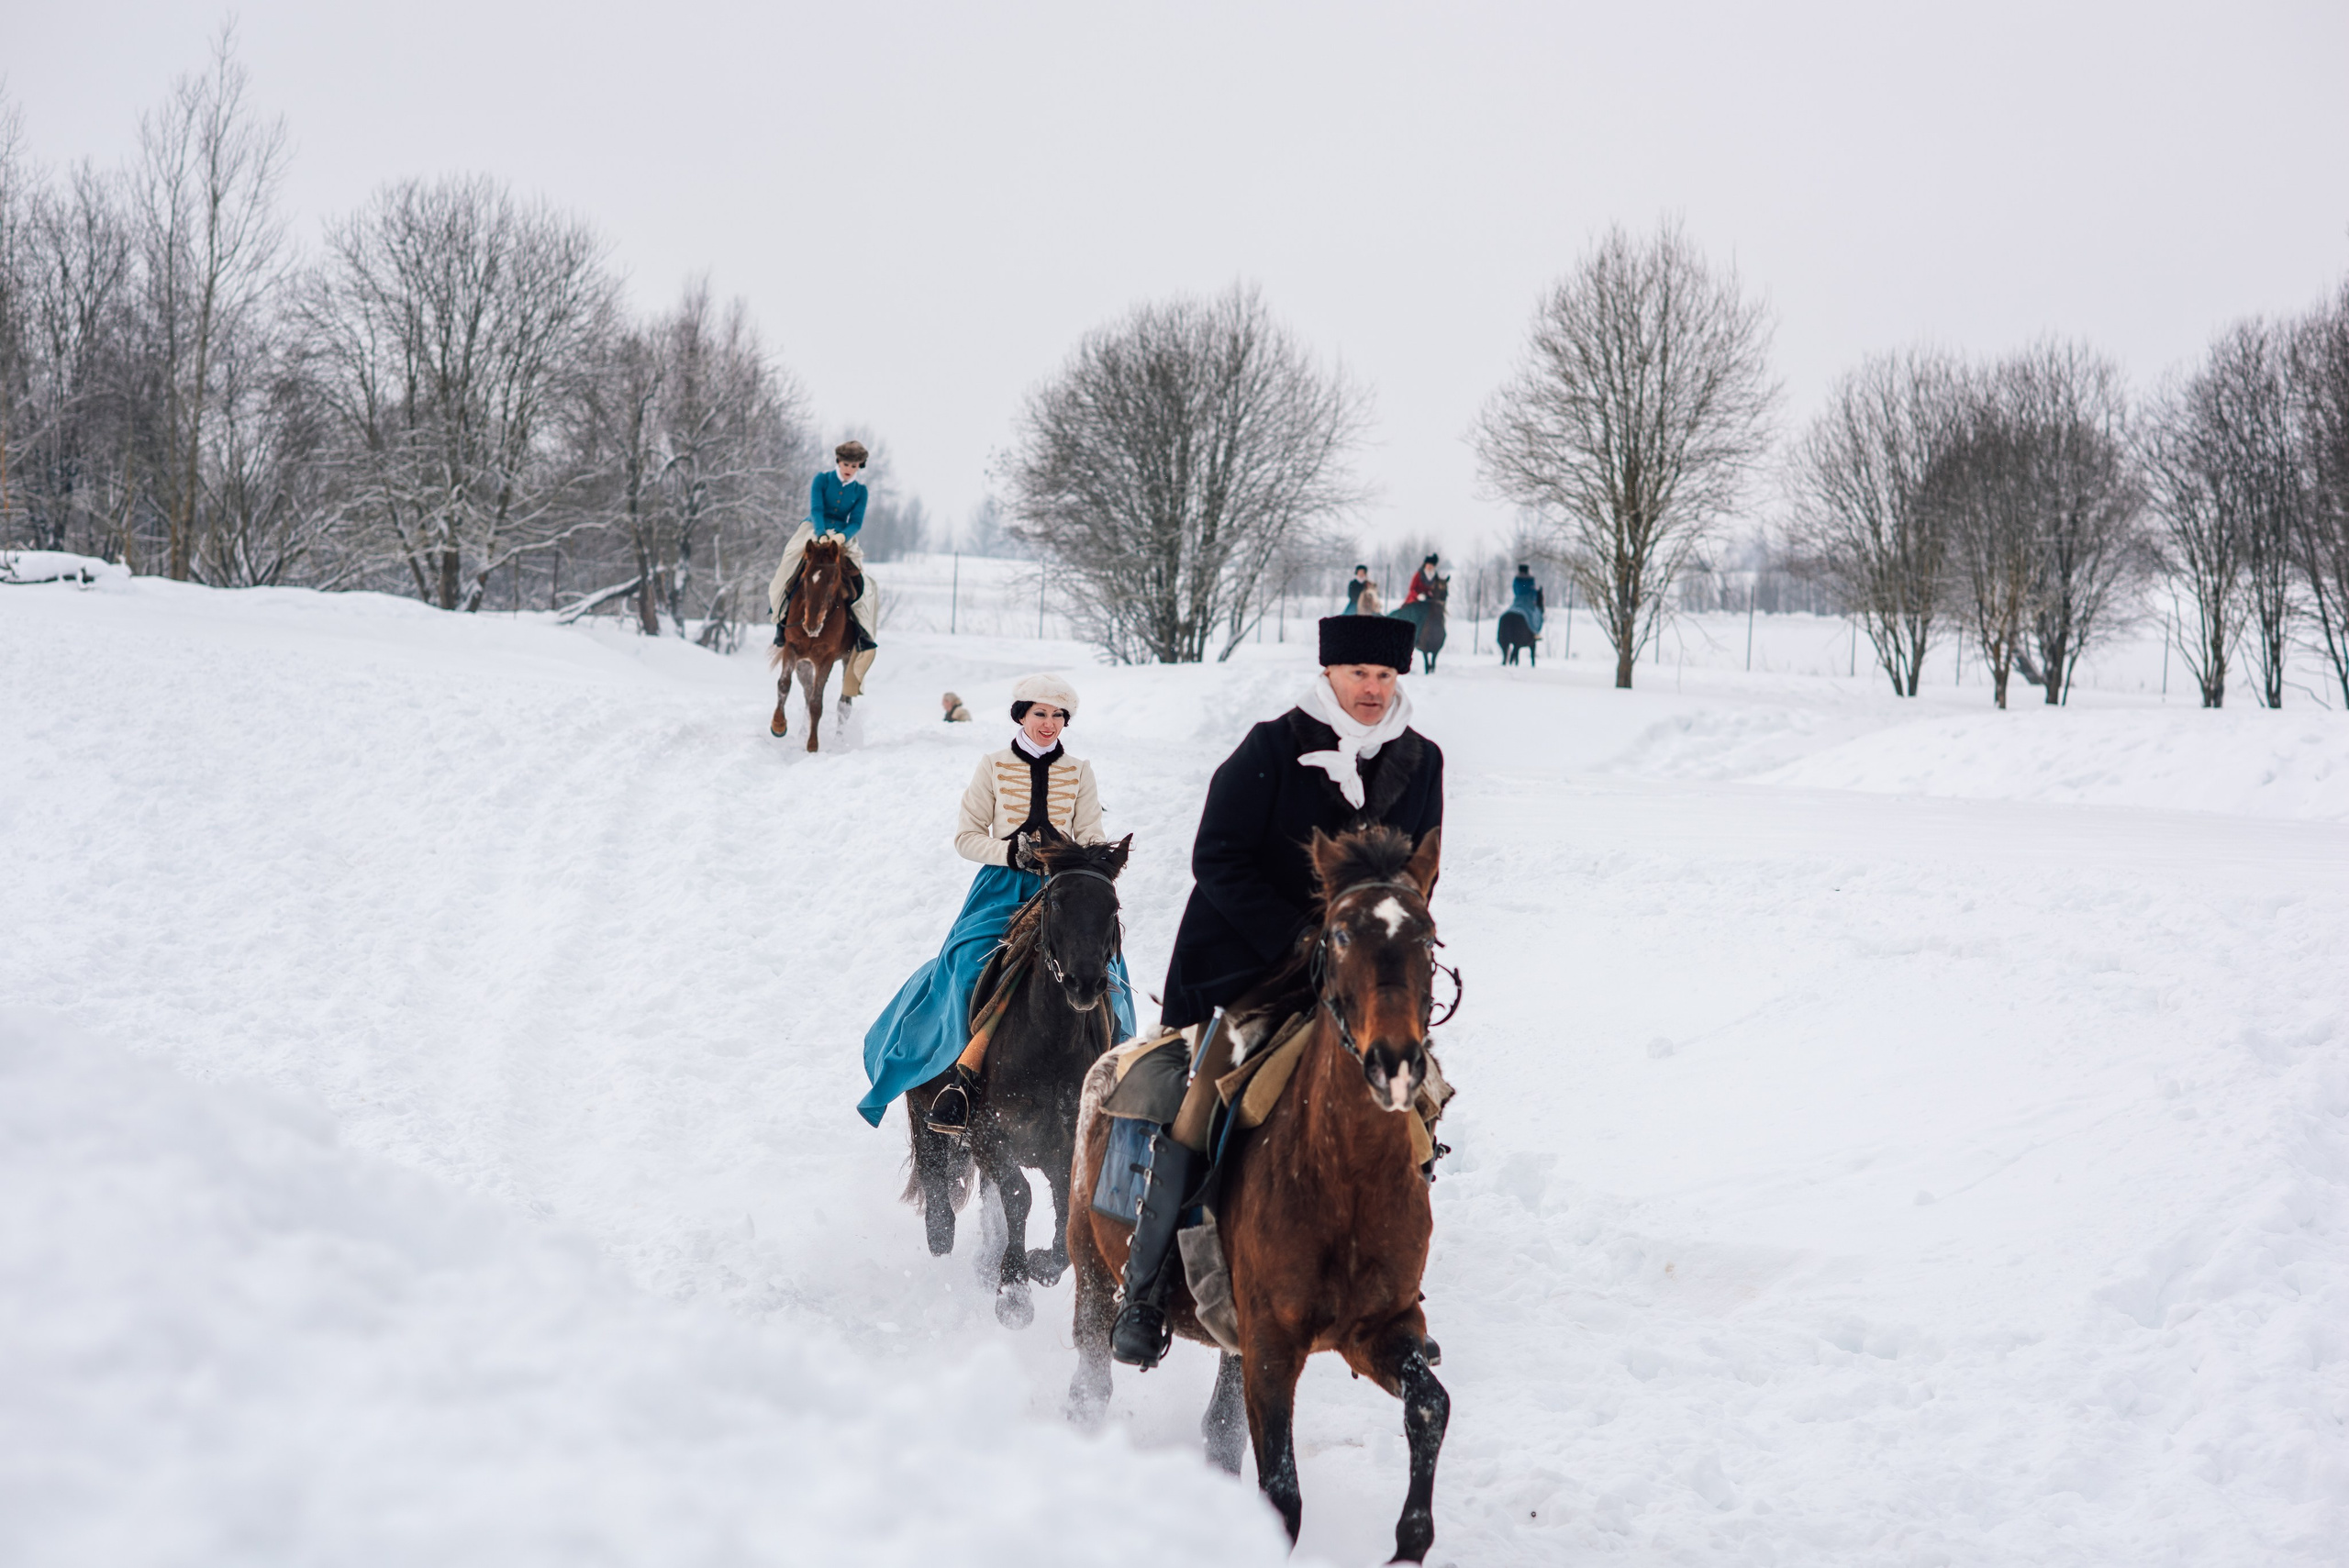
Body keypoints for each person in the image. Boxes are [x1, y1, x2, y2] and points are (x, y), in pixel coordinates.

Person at [1109, 614, 1443, 1368]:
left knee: (1419, 1101)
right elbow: (1216, 859)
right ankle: (1145, 1287)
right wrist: (1300, 939)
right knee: (1198, 1104)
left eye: (1385, 676)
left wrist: (1387, 962)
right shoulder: (1269, 747)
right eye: (1358, 674)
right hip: (1253, 968)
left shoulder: (1423, 761)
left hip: (1360, 982)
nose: (1372, 688)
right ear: (1329, 673)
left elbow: (1417, 879)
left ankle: (1391, 1289)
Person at [858, 673, 1138, 1133]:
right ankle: (961, 1077)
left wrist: (1081, 862)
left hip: (1062, 890)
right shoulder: (992, 765)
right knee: (966, 963)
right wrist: (1010, 852)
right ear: (1022, 715)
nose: (1049, 723)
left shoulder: (1080, 770)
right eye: (1040, 713)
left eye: (1058, 716)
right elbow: (966, 837)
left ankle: (1115, 1079)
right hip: (1002, 888)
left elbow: (1090, 834)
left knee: (1112, 975)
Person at [769, 440, 882, 699]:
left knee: (863, 584)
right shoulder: (821, 480)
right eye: (846, 464)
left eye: (854, 466)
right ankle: (781, 620)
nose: (849, 469)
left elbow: (857, 521)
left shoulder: (861, 491)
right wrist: (820, 534)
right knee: (787, 569)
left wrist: (841, 537)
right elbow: (817, 509)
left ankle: (861, 633)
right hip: (813, 530)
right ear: (838, 462)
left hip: (843, 538)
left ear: (860, 466)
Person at [1508, 563, 1544, 634]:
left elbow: (1515, 590)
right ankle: (1535, 632)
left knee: (1511, 609)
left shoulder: (1516, 580)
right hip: (1528, 601)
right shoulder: (1530, 580)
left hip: (1517, 601)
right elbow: (1533, 592)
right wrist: (1534, 599)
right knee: (1533, 615)